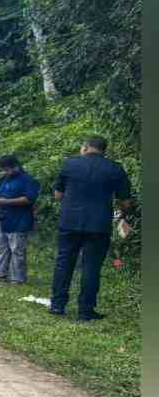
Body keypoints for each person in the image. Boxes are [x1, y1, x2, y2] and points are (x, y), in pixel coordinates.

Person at [50, 136, 133, 320]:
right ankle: (86, 310)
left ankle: (57, 305)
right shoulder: (115, 169)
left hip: (69, 221)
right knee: (91, 267)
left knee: (64, 263)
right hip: (98, 224)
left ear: (85, 148)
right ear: (104, 150)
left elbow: (58, 194)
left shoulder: (70, 164)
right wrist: (120, 214)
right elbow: (125, 202)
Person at [0, 155, 41, 284]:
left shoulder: (28, 180)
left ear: (15, 166)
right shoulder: (5, 179)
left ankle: (18, 278)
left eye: (6, 169)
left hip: (20, 219)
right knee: (1, 247)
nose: (4, 172)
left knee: (17, 250)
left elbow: (29, 199)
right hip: (3, 218)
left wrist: (6, 201)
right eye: (3, 170)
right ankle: (0, 274)